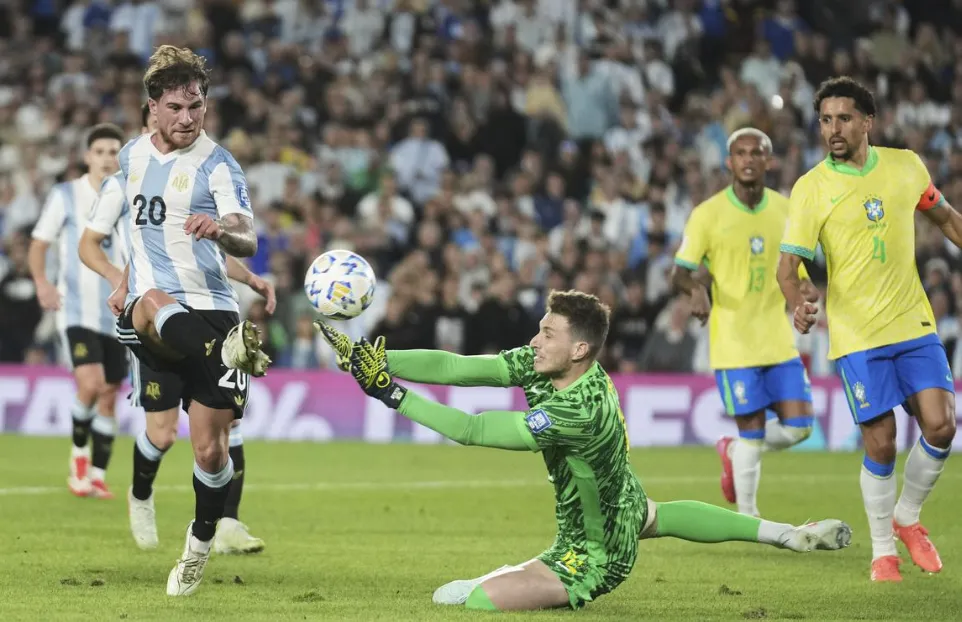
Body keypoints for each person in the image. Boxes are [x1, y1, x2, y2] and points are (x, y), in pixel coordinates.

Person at [315, 290, 852, 612]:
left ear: (578, 348)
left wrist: (391, 394)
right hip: (620, 502)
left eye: (547, 333)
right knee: (656, 515)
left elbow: (472, 429)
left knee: (470, 600)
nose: (535, 340)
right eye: (539, 330)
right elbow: (458, 367)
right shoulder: (553, 364)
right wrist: (375, 357)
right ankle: (785, 533)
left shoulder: (579, 409)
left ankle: (532, 575)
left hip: (595, 553)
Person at [105, 45, 271, 596]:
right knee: (152, 299)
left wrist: (221, 230)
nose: (186, 118)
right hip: (154, 312)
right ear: (152, 107)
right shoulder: (130, 157)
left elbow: (247, 236)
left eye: (195, 106)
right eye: (175, 107)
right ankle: (220, 358)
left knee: (210, 451)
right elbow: (135, 231)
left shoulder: (219, 164)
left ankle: (197, 546)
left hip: (213, 309)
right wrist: (124, 281)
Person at [778, 76, 958, 582]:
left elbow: (945, 217)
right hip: (857, 334)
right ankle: (883, 552)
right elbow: (788, 267)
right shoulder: (812, 187)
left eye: (844, 118)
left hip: (912, 320)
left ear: (867, 122)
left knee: (942, 425)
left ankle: (907, 518)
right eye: (825, 120)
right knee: (881, 444)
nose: (833, 129)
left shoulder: (906, 166)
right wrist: (798, 303)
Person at [671, 128, 819, 517]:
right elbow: (679, 273)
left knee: (800, 427)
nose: (749, 159)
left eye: (757, 153)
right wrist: (696, 290)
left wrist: (805, 287)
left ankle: (733, 450)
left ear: (769, 161)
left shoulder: (785, 210)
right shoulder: (708, 214)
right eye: (741, 153)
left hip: (778, 339)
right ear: (729, 162)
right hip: (733, 343)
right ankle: (749, 517)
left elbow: (796, 268)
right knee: (752, 429)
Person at [27, 123, 128, 500]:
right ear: (87, 157)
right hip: (76, 310)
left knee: (110, 393)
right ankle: (79, 459)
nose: (107, 159)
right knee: (90, 384)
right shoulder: (66, 195)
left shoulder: (129, 195)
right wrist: (42, 282)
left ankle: (98, 475)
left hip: (118, 313)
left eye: (113, 152)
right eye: (100, 152)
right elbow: (39, 243)